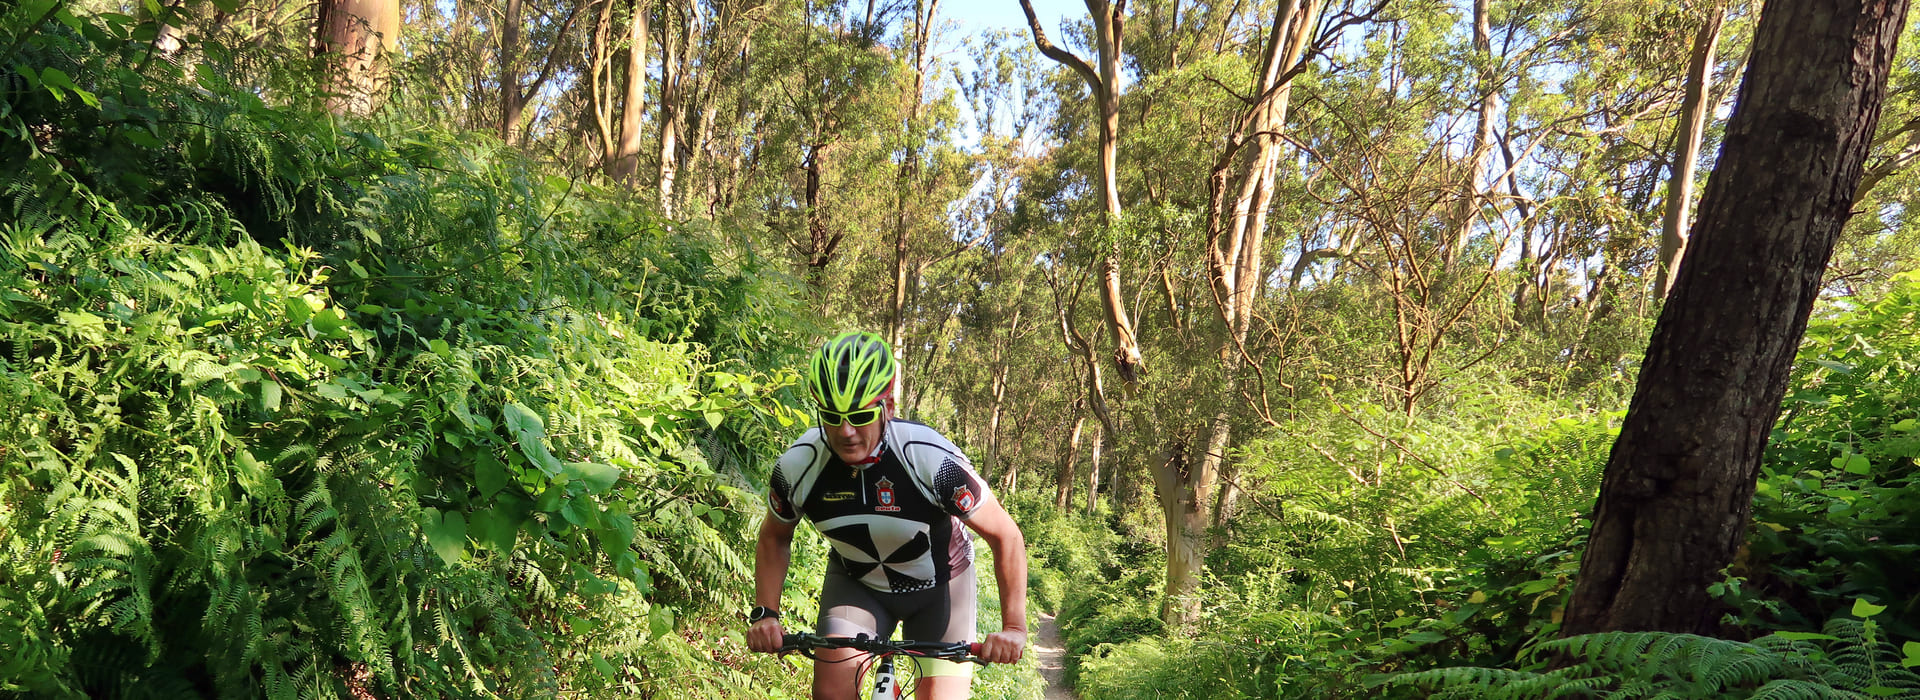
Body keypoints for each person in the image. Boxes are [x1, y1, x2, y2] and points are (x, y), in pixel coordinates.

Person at [747, 331, 1028, 700]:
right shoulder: (799, 465)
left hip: (941, 589)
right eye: (832, 417)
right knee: (832, 694)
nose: (845, 431)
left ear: (889, 407)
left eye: (860, 415)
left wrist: (1014, 628)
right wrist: (766, 613)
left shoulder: (930, 460)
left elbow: (1005, 536)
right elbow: (774, 537)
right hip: (857, 587)